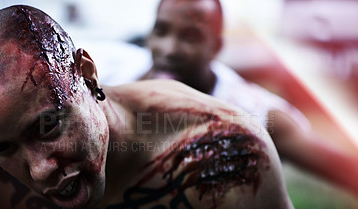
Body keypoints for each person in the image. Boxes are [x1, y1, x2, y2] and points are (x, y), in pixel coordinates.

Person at [0, 5, 310, 209]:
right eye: (3, 149)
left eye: (49, 125)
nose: (39, 170)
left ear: (87, 75)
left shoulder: (220, 151)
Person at [140, 0, 358, 196]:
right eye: (161, 31)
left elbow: (346, 169)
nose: (170, 49)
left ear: (216, 47)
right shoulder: (113, 77)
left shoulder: (251, 114)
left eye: (191, 37)